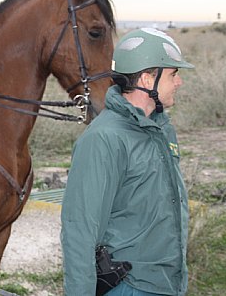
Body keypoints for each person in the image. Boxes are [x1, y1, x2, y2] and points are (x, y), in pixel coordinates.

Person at [61, 28, 194, 296]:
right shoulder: (103, 139)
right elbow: (80, 230)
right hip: (130, 287)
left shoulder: (162, 129)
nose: (179, 82)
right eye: (173, 74)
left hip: (168, 284)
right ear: (147, 79)